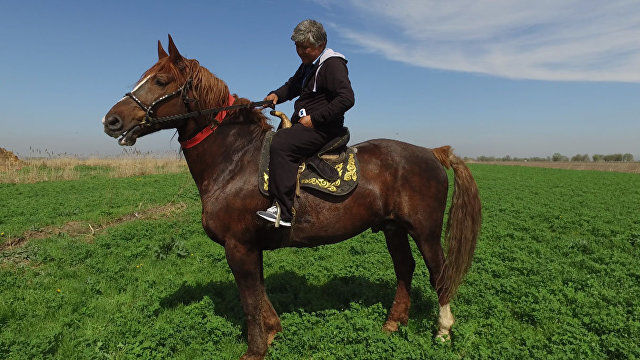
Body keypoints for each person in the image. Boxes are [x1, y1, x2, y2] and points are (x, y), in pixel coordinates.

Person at [257, 19, 355, 227]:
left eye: (305, 47)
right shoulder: (309, 65)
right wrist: (276, 95)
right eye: (297, 46)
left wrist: (315, 119)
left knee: (282, 143)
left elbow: (347, 98)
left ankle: (283, 212)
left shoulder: (332, 65)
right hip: (308, 125)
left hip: (324, 128)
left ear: (320, 45)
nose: (300, 51)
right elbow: (293, 86)